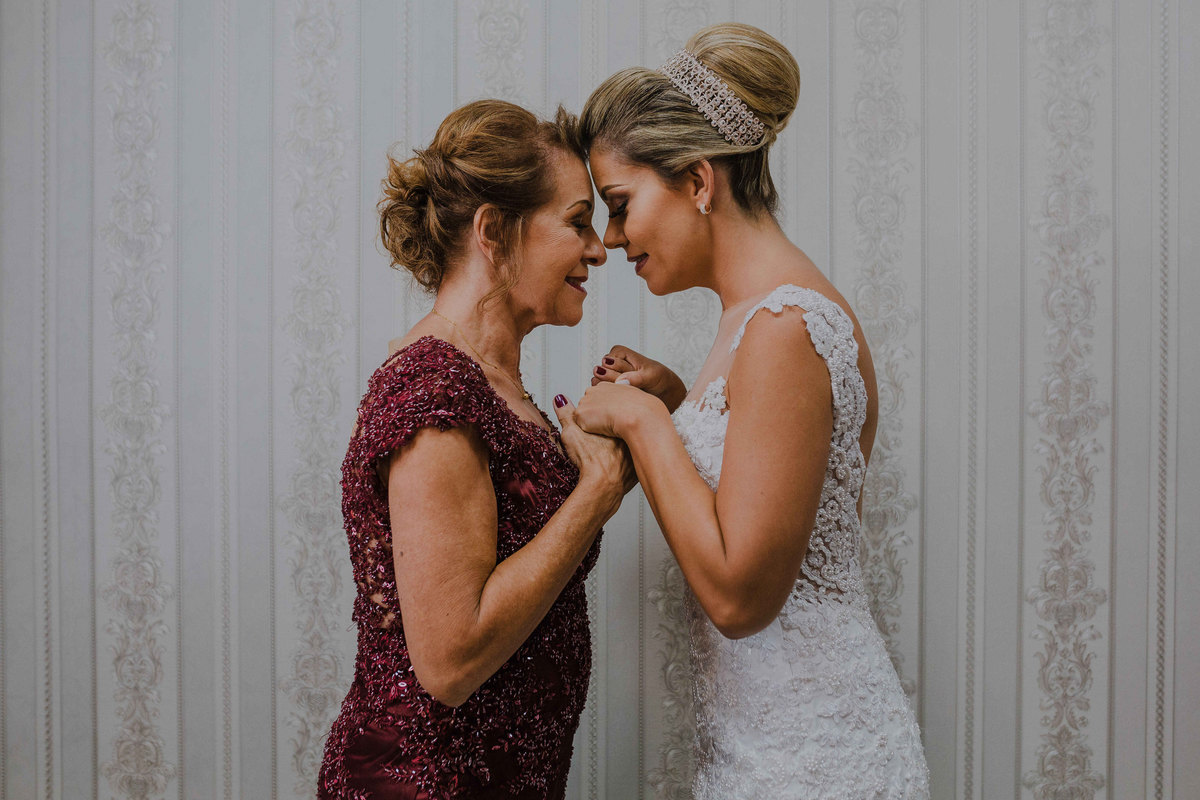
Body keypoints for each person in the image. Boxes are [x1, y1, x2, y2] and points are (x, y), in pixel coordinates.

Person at [572, 23, 930, 799]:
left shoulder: (784, 326)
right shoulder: (753, 319)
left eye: (622, 204)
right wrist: (675, 400)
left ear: (700, 182)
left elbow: (740, 597)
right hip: (766, 746)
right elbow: (755, 489)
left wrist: (642, 424)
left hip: (815, 759)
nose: (611, 239)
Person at [317, 99, 635, 799]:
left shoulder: (495, 386)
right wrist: (594, 498)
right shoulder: (434, 395)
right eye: (577, 222)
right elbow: (450, 660)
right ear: (495, 231)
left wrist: (644, 414)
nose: (598, 247)